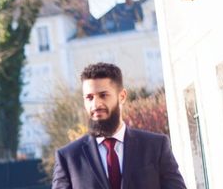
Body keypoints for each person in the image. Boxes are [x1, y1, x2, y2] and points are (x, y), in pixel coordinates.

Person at [52, 62, 186, 189]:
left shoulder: (156, 146)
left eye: (103, 95)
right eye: (89, 97)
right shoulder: (68, 158)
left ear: (122, 96)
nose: (96, 104)